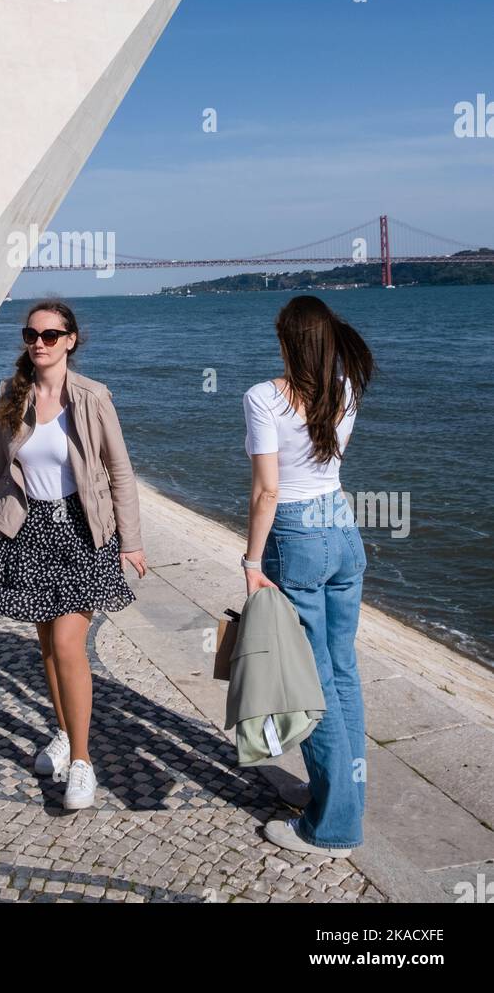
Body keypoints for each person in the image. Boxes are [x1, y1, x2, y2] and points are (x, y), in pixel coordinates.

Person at [0, 300, 146, 811]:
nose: (40, 343)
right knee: (48, 647)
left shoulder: (92, 398)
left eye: (52, 335)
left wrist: (131, 541)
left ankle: (82, 762)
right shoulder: (13, 393)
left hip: (81, 530)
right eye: (32, 333)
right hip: (30, 531)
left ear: (71, 339)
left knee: (71, 645)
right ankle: (62, 731)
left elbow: (120, 472)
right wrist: (0, 518)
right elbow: (1, 466)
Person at [242, 295, 375, 857]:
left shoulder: (263, 398)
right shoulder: (345, 389)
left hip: (297, 538)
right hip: (343, 528)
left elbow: (268, 490)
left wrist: (251, 562)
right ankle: (339, 791)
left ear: (285, 340)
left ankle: (334, 826)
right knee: (341, 671)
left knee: (310, 681)